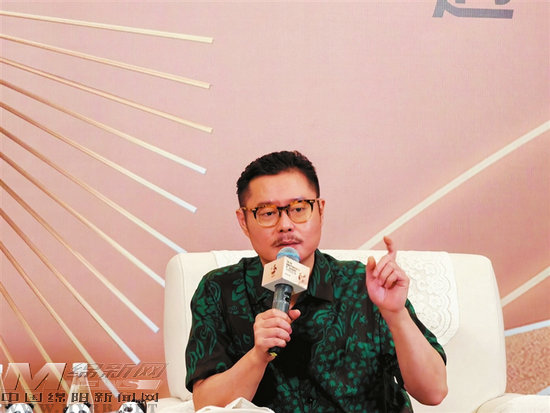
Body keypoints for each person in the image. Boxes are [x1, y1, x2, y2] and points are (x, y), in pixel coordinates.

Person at [185, 151, 447, 412]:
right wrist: (257, 356)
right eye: (267, 213)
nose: (285, 225)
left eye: (298, 209)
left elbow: (434, 392)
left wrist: (396, 315)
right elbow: (205, 404)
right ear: (244, 221)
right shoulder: (219, 289)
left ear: (320, 210)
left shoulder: (366, 285)